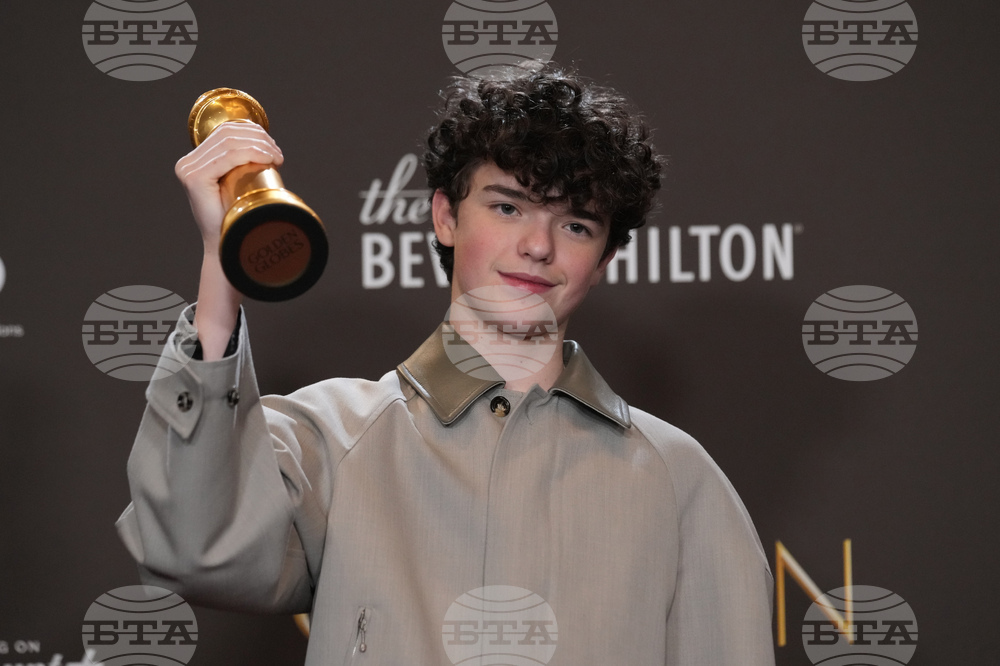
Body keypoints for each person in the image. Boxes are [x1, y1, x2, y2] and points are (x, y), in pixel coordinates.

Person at [116, 65, 775, 664]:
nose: (539, 245)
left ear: (602, 261)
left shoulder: (680, 480)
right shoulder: (332, 437)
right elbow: (193, 551)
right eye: (508, 206)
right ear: (444, 217)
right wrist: (222, 260)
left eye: (576, 224)